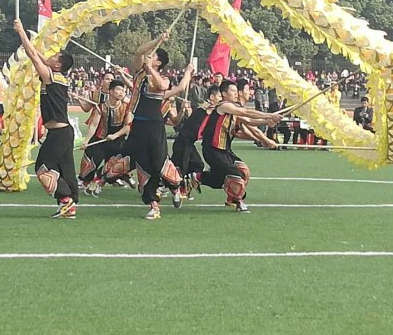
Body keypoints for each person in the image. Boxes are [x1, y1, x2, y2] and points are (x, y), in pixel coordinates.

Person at [103, 33, 193, 220]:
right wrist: (159, 40)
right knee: (144, 165)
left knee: (159, 164)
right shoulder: (139, 73)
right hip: (138, 126)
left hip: (154, 127)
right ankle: (153, 205)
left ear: (159, 63)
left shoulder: (163, 78)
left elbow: (161, 86)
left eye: (152, 56)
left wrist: (187, 72)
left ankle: (176, 186)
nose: (147, 57)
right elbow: (139, 51)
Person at [14, 18, 79, 218]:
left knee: (43, 168)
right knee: (65, 169)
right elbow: (39, 57)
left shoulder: (52, 76)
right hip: (62, 132)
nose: (49, 56)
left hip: (59, 133)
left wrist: (21, 32)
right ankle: (69, 205)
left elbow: (33, 56)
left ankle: (66, 200)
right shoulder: (57, 75)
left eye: (54, 56)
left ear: (58, 64)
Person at [195, 80, 282, 212]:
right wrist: (270, 115)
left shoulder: (233, 110)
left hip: (225, 151)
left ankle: (198, 178)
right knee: (236, 177)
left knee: (241, 173)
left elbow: (250, 121)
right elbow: (246, 113)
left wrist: (268, 121)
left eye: (237, 91)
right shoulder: (224, 106)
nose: (236, 94)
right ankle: (238, 200)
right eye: (233, 91)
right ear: (224, 94)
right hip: (213, 150)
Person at [81, 80, 132, 196]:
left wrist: (115, 135)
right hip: (101, 139)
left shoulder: (125, 107)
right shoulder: (101, 107)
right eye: (118, 90)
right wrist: (86, 140)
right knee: (94, 162)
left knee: (111, 165)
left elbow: (127, 127)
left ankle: (98, 183)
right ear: (111, 91)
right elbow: (94, 125)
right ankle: (85, 181)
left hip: (118, 140)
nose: (121, 93)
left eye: (123, 91)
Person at [171, 84, 221, 197]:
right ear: (212, 97)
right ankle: (168, 186)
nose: (221, 99)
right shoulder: (207, 107)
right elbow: (210, 108)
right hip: (183, 141)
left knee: (197, 165)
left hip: (189, 142)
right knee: (180, 168)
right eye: (219, 96)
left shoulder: (207, 107)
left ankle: (184, 185)